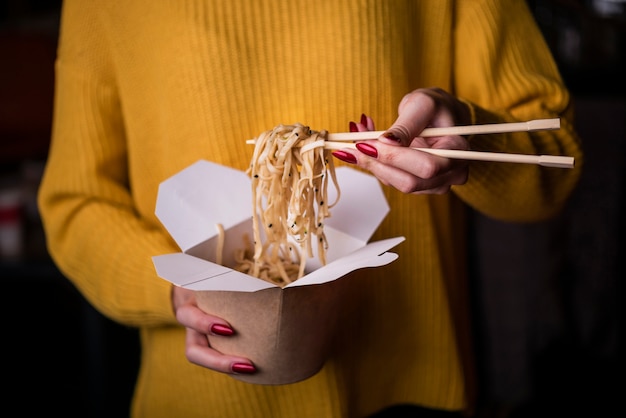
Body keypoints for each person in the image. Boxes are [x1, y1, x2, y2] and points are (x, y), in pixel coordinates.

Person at [38, 1, 582, 417]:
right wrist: (182, 289)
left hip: (408, 385)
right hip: (202, 399)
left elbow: (558, 162)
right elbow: (75, 203)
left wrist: (467, 144)